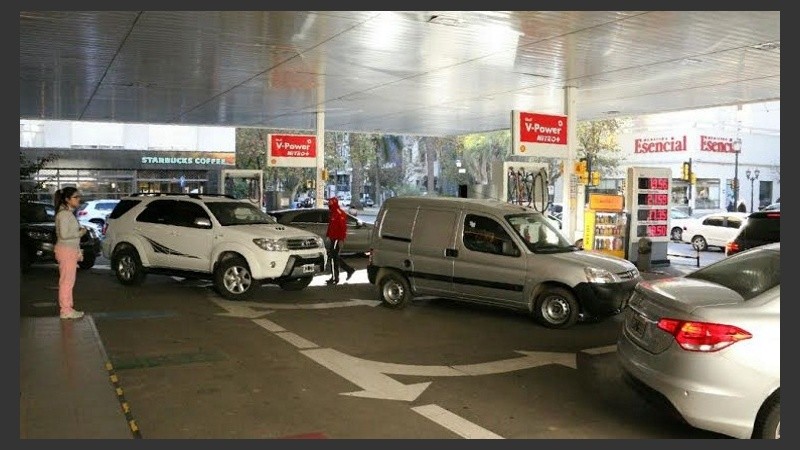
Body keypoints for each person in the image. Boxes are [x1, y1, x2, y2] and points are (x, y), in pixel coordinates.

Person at [53, 187, 87, 319]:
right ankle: (66, 310)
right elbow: (64, 234)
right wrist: (81, 232)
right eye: (76, 197)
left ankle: (67, 308)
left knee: (68, 281)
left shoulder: (66, 213)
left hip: (68, 250)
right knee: (67, 282)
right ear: (67, 199)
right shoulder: (64, 215)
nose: (79, 199)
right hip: (66, 250)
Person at [325, 196, 355, 285]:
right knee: (334, 257)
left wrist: (341, 239)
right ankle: (348, 270)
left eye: (330, 203)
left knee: (333, 258)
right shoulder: (333, 213)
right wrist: (328, 235)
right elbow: (331, 226)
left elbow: (343, 228)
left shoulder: (339, 213)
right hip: (333, 238)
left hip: (337, 238)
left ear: (333, 203)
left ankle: (335, 278)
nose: (328, 204)